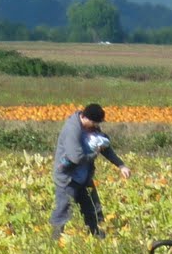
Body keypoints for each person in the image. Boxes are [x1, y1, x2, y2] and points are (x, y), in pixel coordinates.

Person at [50, 103, 131, 240]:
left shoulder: (93, 128)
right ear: (84, 117)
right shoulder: (72, 129)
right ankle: (55, 242)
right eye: (93, 122)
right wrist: (94, 153)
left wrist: (121, 165)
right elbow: (75, 157)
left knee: (94, 209)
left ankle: (99, 239)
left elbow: (105, 147)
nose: (95, 126)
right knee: (63, 211)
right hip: (68, 178)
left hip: (85, 178)